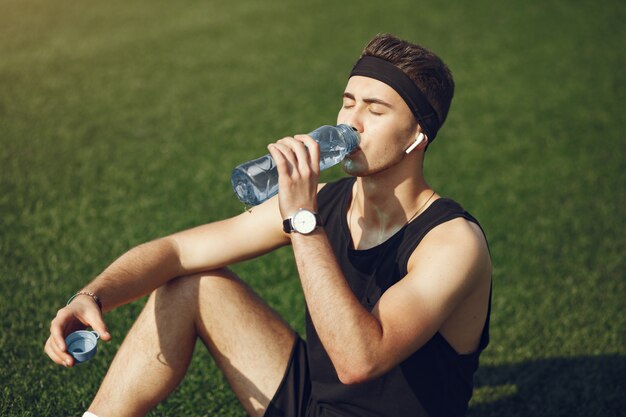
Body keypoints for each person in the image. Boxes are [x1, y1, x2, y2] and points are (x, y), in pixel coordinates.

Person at [44, 33, 492, 417]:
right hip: (313, 405)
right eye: (347, 102)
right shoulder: (327, 203)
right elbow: (178, 252)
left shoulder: (453, 243)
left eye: (375, 110)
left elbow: (359, 361)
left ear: (418, 136)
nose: (349, 122)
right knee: (191, 286)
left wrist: (302, 222)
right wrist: (92, 295)